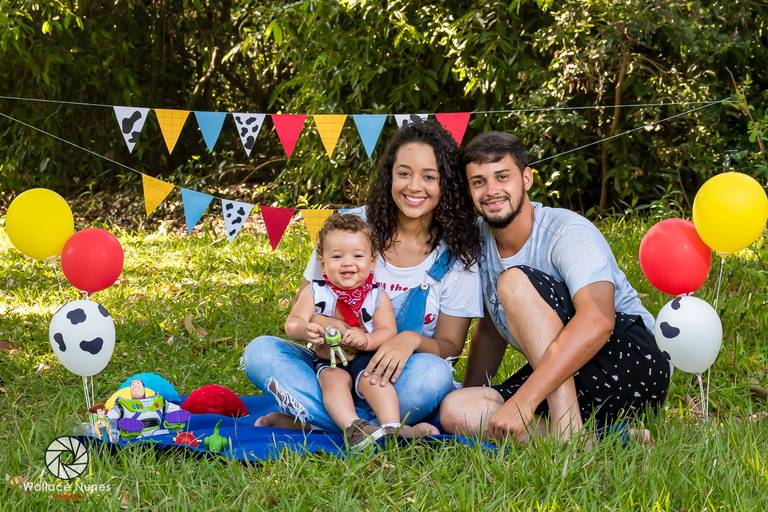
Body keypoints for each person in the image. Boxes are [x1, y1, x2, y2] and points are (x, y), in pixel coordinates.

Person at [243, 120, 483, 434]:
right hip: (330, 366)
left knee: (433, 376)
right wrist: (331, 329)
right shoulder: (351, 227)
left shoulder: (456, 253)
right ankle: (381, 426)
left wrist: (408, 340)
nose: (414, 187)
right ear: (390, 177)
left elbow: (450, 346)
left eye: (429, 177)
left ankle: (320, 421)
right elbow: (307, 303)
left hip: (396, 377)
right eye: (404, 173)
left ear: (446, 184)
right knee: (260, 352)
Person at [439, 132, 669, 442]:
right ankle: (597, 440)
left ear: (527, 178)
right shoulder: (478, 242)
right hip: (571, 379)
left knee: (514, 282)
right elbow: (491, 332)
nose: (491, 190)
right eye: (479, 182)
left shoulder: (566, 231)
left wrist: (525, 400)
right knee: (457, 410)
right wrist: (473, 393)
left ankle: (565, 437)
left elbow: (599, 320)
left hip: (630, 360)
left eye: (502, 177)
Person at [287, 213, 432, 448]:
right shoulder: (315, 292)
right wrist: (305, 329)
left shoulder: (377, 295)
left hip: (367, 358)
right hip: (331, 359)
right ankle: (354, 428)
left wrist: (366, 340)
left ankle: (391, 427)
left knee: (375, 380)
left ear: (372, 262)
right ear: (323, 263)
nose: (347, 263)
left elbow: (387, 331)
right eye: (336, 256)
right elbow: (292, 322)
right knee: (333, 381)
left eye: (357, 256)